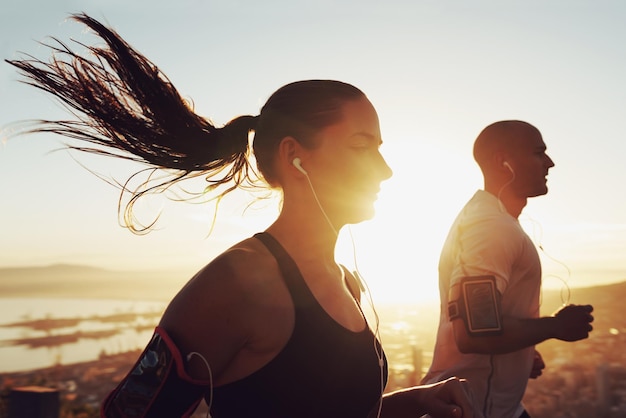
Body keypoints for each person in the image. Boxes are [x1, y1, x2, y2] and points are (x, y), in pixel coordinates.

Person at [6, 13, 478, 418]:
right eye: (362, 146)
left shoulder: (345, 280)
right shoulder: (235, 284)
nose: (386, 169)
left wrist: (411, 401)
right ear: (298, 157)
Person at [421, 120, 595, 418]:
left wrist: (521, 352)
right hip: (477, 411)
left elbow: (487, 321)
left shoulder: (492, 221)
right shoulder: (489, 228)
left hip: (494, 407)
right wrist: (556, 326)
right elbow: (474, 334)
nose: (550, 163)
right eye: (539, 153)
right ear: (502, 161)